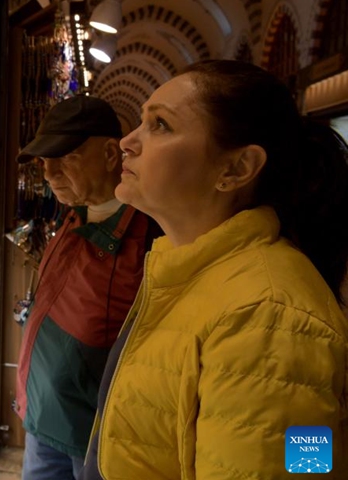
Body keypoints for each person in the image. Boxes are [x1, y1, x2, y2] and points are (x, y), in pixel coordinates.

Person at [83, 59, 348, 479]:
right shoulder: (186, 270)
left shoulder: (273, 317)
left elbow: (302, 464)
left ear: (235, 169)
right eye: (140, 122)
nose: (127, 142)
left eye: (161, 126)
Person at [14, 95, 159, 480]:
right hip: (44, 416)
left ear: (112, 154)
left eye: (66, 157)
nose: (49, 173)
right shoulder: (73, 216)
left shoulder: (153, 234)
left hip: (95, 436)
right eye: (45, 161)